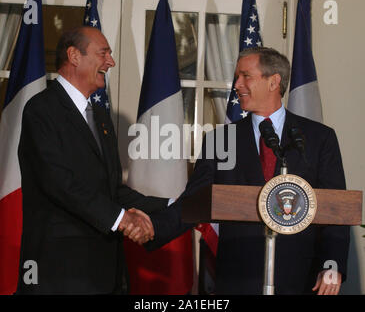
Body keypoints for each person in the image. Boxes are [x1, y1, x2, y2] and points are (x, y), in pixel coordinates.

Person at [142, 47, 350, 295]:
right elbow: (195, 200)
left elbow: (336, 209)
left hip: (300, 277)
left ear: (274, 81)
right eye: (236, 77)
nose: (237, 84)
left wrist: (331, 264)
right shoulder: (221, 140)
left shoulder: (319, 138)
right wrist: (153, 226)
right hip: (238, 278)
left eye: (246, 76)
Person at [16, 26, 167, 294]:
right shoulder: (41, 110)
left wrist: (171, 206)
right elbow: (60, 183)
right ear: (74, 55)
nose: (111, 62)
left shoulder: (99, 115)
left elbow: (112, 189)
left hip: (102, 270)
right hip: (60, 273)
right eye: (103, 53)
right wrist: (122, 220)